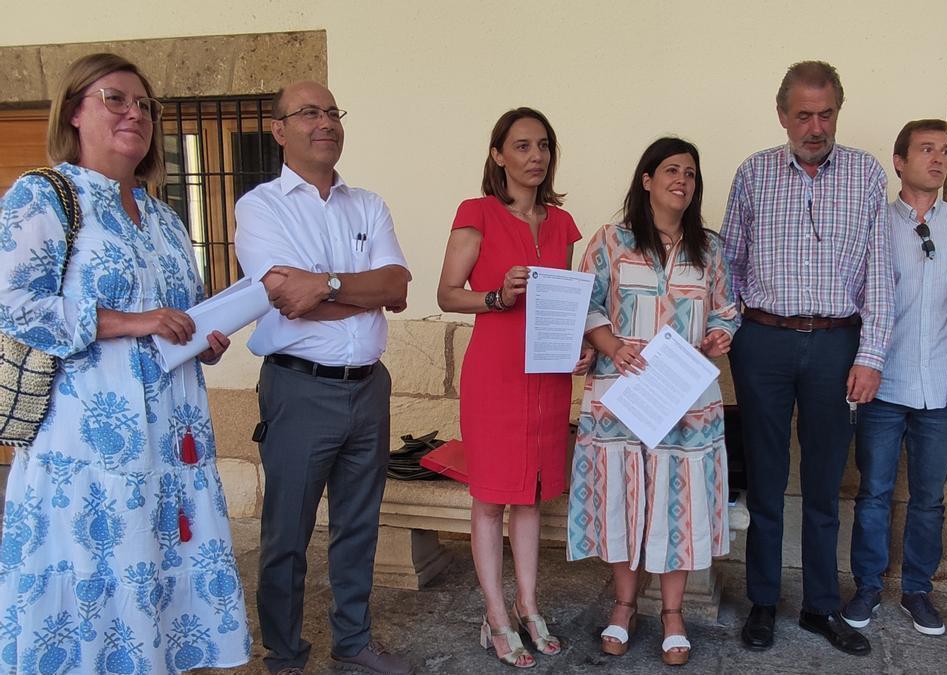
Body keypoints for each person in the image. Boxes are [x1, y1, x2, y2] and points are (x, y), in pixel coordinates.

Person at [0, 52, 250, 673]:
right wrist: (131, 321)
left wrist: (204, 337)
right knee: (95, 570)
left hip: (173, 435)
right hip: (87, 444)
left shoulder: (164, 217)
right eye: (115, 99)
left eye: (144, 105)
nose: (134, 113)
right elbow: (11, 301)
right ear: (75, 112)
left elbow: (181, 312)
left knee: (162, 568)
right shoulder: (44, 196)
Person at [234, 81, 412, 675]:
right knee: (286, 534)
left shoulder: (368, 205)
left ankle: (352, 643)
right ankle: (284, 655)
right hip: (299, 387)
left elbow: (397, 286)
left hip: (368, 385)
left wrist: (329, 285)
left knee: (358, 526)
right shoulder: (260, 206)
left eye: (332, 111)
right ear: (279, 129)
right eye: (308, 112)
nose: (325, 122)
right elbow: (287, 297)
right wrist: (352, 292)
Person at [722, 60, 893, 656]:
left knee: (824, 485)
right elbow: (730, 265)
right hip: (763, 342)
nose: (815, 126)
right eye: (803, 115)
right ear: (782, 116)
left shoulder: (868, 176)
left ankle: (821, 605)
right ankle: (763, 601)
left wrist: (870, 355)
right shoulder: (753, 174)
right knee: (765, 479)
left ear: (837, 111)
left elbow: (880, 275)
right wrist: (730, 330)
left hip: (836, 344)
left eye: (826, 114)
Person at [567, 137, 740, 667]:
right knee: (621, 498)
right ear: (647, 180)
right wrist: (611, 346)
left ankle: (672, 614)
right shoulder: (611, 242)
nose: (681, 181)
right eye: (670, 170)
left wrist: (718, 336)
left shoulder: (708, 249)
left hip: (685, 399)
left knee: (679, 506)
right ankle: (622, 606)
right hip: (623, 396)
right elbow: (586, 305)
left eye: (690, 173)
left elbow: (727, 310)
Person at [435, 107, 584, 669]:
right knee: (492, 496)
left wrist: (578, 347)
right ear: (498, 154)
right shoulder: (477, 213)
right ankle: (495, 617)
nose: (535, 157)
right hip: (496, 371)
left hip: (544, 373)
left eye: (543, 145)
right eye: (521, 146)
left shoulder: (562, 223)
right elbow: (448, 293)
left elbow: (564, 306)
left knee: (533, 494)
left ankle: (528, 606)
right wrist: (497, 296)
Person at [842, 119, 947, 637]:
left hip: (943, 383)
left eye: (944, 150)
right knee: (872, 491)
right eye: (925, 149)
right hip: (884, 381)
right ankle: (869, 585)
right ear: (899, 162)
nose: (937, 159)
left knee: (929, 497)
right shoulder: (872, 222)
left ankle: (918, 589)